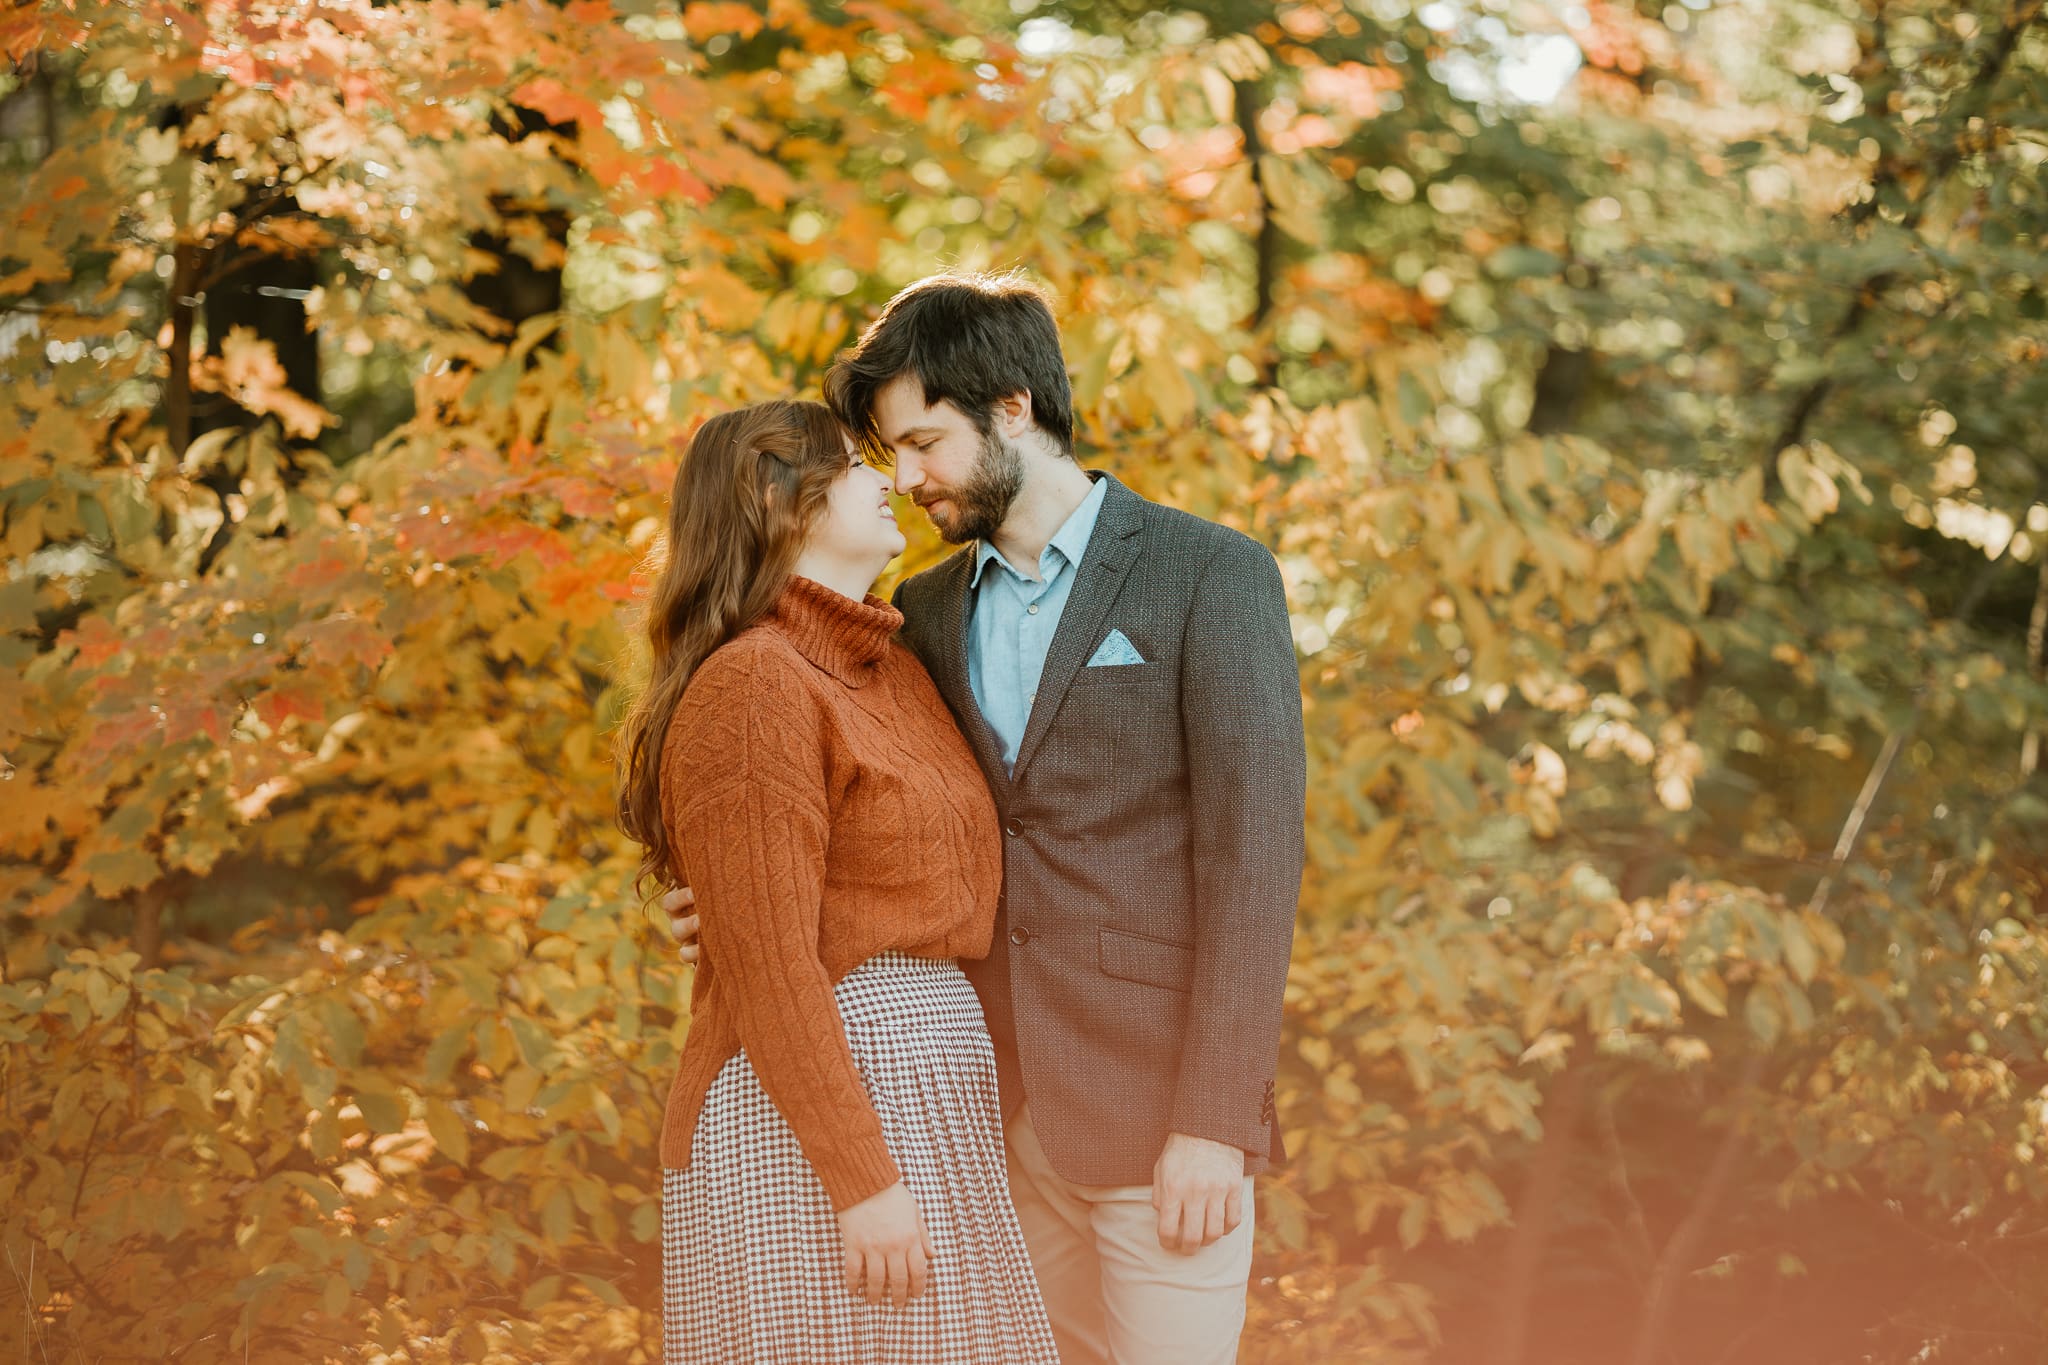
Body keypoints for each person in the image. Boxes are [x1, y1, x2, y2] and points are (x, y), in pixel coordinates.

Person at [666, 273, 1307, 1365]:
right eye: (889, 455)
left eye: (922, 442)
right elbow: (866, 817)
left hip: (1156, 1123)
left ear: (1012, 407)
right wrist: (732, 910)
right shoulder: (913, 615)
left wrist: (1215, 1119)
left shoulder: (1211, 575)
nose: (905, 478)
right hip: (971, 1130)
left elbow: (1253, 867)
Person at [614, 399, 1058, 1364]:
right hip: (814, 1117)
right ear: (786, 501)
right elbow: (771, 966)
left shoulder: (891, 670)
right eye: (861, 462)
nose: (891, 479)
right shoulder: (754, 683)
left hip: (932, 1097)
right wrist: (861, 1178)